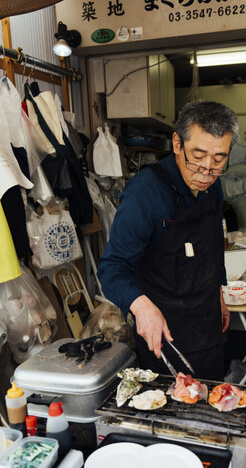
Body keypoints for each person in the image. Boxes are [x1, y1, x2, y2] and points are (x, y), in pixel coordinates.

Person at [98, 101, 237, 381]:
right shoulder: (144, 194)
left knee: (213, 402)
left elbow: (212, 244)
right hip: (166, 334)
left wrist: (219, 292)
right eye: (198, 155)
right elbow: (111, 269)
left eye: (219, 159)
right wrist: (140, 306)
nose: (207, 170)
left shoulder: (212, 184)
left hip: (209, 323)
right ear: (177, 143)